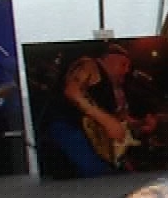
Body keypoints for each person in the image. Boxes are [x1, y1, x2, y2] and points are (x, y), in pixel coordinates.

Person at [42, 42, 157, 178]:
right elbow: (72, 91)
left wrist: (141, 123)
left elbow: (121, 120)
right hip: (68, 126)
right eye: (123, 64)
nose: (127, 70)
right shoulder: (90, 65)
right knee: (99, 173)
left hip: (93, 140)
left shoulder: (115, 90)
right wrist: (106, 121)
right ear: (109, 59)